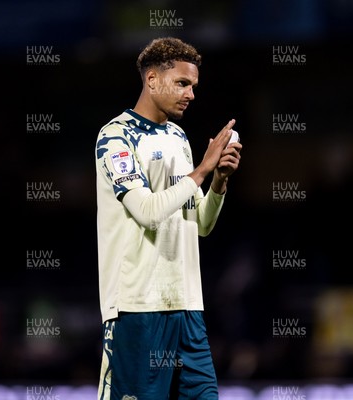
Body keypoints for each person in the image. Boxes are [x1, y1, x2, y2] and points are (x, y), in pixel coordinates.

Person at [94, 36, 242, 399]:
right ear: (152, 80)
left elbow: (200, 225)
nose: (191, 94)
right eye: (182, 83)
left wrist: (219, 183)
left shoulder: (178, 137)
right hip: (137, 309)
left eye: (193, 85)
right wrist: (203, 170)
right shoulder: (115, 138)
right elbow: (147, 212)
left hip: (188, 306)